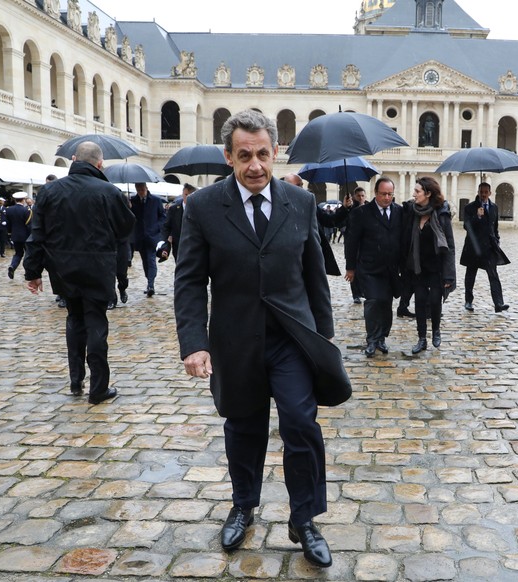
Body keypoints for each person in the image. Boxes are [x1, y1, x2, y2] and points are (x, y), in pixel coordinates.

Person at [174, 110, 334, 567]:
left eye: (262, 154)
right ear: (229, 157)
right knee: (243, 429)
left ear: (275, 152)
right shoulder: (202, 207)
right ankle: (243, 505)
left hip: (292, 341)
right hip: (235, 340)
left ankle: (304, 518)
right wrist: (194, 342)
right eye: (244, 156)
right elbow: (188, 281)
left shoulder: (300, 204)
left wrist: (325, 341)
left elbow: (314, 278)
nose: (256, 165)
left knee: (302, 425)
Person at [23, 141, 134, 403]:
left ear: (74, 159)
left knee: (74, 318)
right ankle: (98, 388)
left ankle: (76, 381)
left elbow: (36, 234)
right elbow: (125, 229)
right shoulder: (109, 191)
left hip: (64, 268)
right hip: (98, 267)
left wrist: (33, 272)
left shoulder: (50, 191)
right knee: (96, 321)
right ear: (99, 163)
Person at [344, 177, 402, 357]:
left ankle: (382, 337)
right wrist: (350, 268)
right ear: (376, 193)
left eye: (390, 194)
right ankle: (371, 339)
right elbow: (351, 242)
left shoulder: (400, 212)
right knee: (373, 302)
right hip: (369, 268)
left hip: (391, 269)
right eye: (383, 194)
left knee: (386, 303)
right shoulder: (362, 213)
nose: (387, 198)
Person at [401, 177, 455, 354]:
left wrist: (449, 275)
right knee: (420, 302)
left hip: (437, 268)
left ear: (428, 193)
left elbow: (450, 246)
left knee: (434, 301)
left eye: (417, 191)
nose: (414, 194)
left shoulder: (441, 214)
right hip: (417, 267)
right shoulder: (412, 212)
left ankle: (436, 330)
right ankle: (422, 338)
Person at [282, 173, 349, 277]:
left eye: (301, 185)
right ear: (285, 187)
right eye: (298, 185)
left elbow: (329, 221)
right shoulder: (278, 207)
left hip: (311, 256)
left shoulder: (309, 204)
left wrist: (344, 208)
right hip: (289, 259)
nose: (301, 188)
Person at [460, 182, 510, 313]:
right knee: (471, 275)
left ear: (490, 193)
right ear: (478, 192)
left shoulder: (494, 207)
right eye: (481, 192)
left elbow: (495, 227)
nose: (483, 195)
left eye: (485, 192)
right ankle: (468, 301)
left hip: (489, 248)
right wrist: (477, 216)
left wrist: (497, 240)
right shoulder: (470, 207)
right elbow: (466, 226)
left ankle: (498, 303)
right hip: (474, 247)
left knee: (493, 275)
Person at [129, 182, 166, 297]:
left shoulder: (155, 200)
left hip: (152, 236)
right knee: (145, 261)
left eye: (142, 189)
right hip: (140, 237)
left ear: (146, 188)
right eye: (138, 190)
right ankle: (149, 282)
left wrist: (157, 227)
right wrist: (128, 207)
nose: (141, 192)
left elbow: (163, 216)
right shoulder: (133, 201)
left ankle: (151, 285)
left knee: (151, 259)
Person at [159, 183, 196, 262]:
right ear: (182, 194)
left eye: (190, 195)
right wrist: (164, 243)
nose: (187, 197)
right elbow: (167, 227)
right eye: (186, 194)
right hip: (178, 245)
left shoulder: (198, 209)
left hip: (194, 245)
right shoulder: (174, 209)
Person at [343, 187, 367, 303]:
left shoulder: (369, 208)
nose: (361, 198)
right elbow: (344, 222)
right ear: (354, 196)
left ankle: (363, 290)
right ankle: (355, 294)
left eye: (363, 196)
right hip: (352, 243)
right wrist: (347, 208)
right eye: (358, 196)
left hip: (365, 244)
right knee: (353, 269)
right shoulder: (351, 208)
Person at [5, 192, 31, 280]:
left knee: (18, 253)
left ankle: (12, 266)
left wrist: (9, 234)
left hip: (15, 236)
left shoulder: (9, 209)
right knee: (28, 255)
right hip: (26, 237)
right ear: (23, 200)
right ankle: (27, 273)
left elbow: (8, 224)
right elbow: (29, 225)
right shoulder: (26, 210)